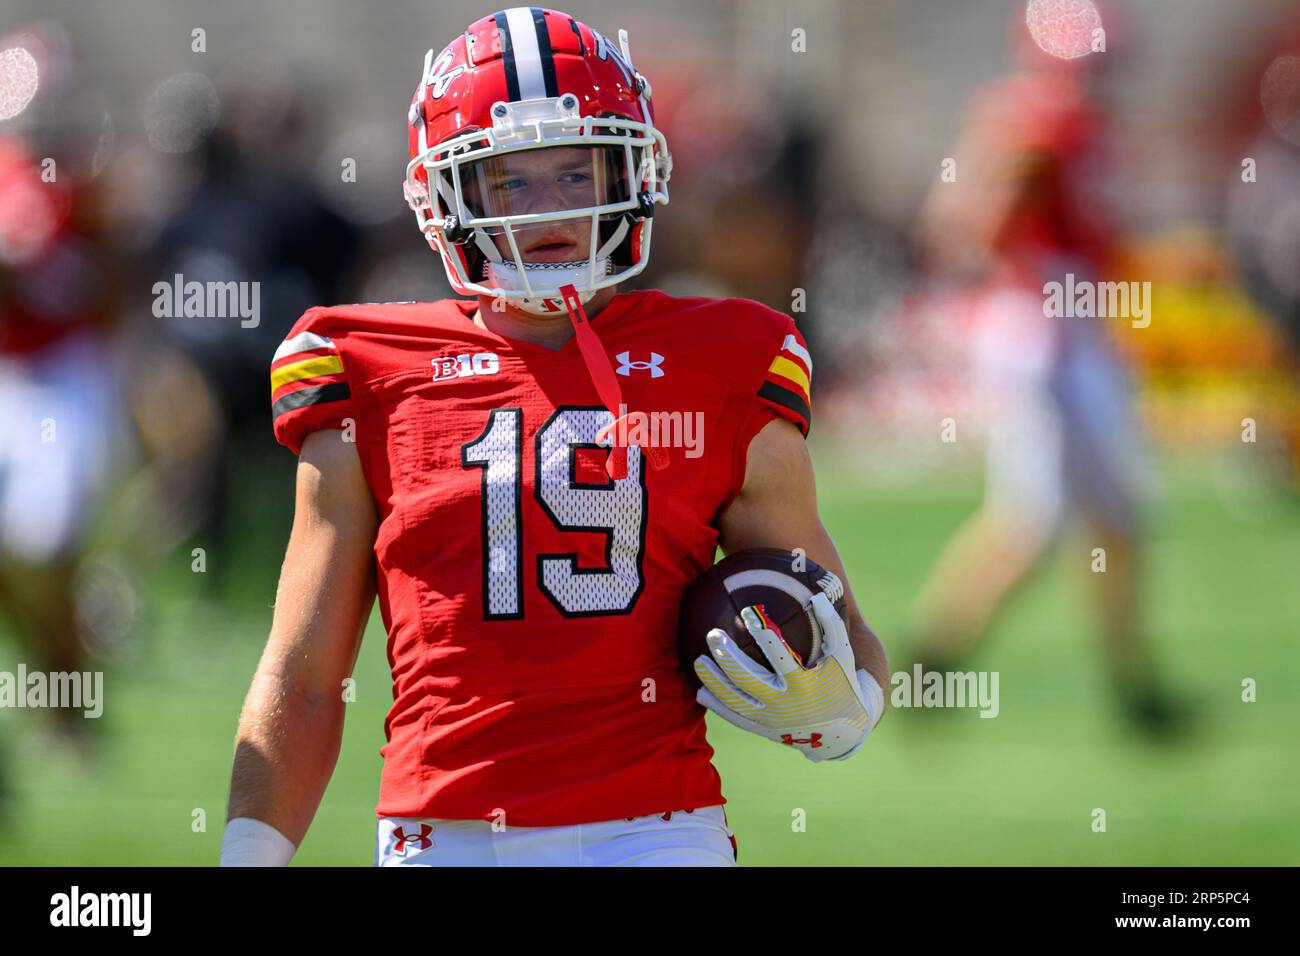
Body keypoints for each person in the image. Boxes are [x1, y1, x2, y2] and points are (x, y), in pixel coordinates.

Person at [222, 7, 889, 868]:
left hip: (660, 829)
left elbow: (839, 620)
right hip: (443, 834)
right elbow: (305, 676)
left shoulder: (729, 359)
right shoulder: (364, 368)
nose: (551, 209)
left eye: (578, 173)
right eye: (512, 181)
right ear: (449, 195)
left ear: (633, 169)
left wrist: (838, 707)